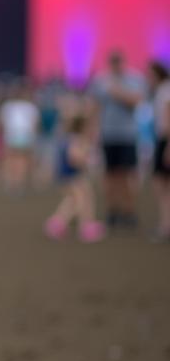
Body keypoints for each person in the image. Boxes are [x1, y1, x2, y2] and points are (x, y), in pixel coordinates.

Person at [89, 49, 146, 229]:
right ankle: (112, 211)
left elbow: (137, 101)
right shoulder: (100, 80)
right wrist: (92, 131)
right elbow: (95, 107)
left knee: (127, 175)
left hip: (127, 134)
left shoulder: (135, 79)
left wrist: (117, 92)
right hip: (108, 134)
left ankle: (128, 211)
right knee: (109, 175)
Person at [44, 112, 105, 243]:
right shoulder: (78, 140)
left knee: (74, 201)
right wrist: (87, 160)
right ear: (83, 127)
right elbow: (73, 157)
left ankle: (57, 223)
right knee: (84, 200)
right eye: (92, 127)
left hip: (70, 176)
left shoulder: (73, 138)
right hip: (72, 177)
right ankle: (86, 226)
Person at [0, 80, 39, 194]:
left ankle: (12, 183)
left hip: (13, 135)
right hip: (22, 136)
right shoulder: (30, 107)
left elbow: (2, 124)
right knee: (20, 161)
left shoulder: (8, 106)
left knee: (12, 160)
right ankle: (17, 184)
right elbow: (34, 125)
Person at [146, 60, 170, 243]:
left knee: (161, 185)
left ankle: (165, 226)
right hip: (163, 139)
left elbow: (168, 119)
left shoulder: (164, 91)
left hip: (165, 140)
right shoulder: (162, 90)